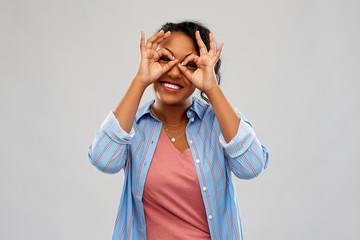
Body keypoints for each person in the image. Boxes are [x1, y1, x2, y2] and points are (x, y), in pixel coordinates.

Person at [88, 21, 269, 240]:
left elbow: (252, 167)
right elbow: (103, 161)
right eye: (165, 59)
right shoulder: (133, 125)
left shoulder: (218, 122)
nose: (174, 72)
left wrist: (212, 89)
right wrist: (140, 80)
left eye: (189, 64)